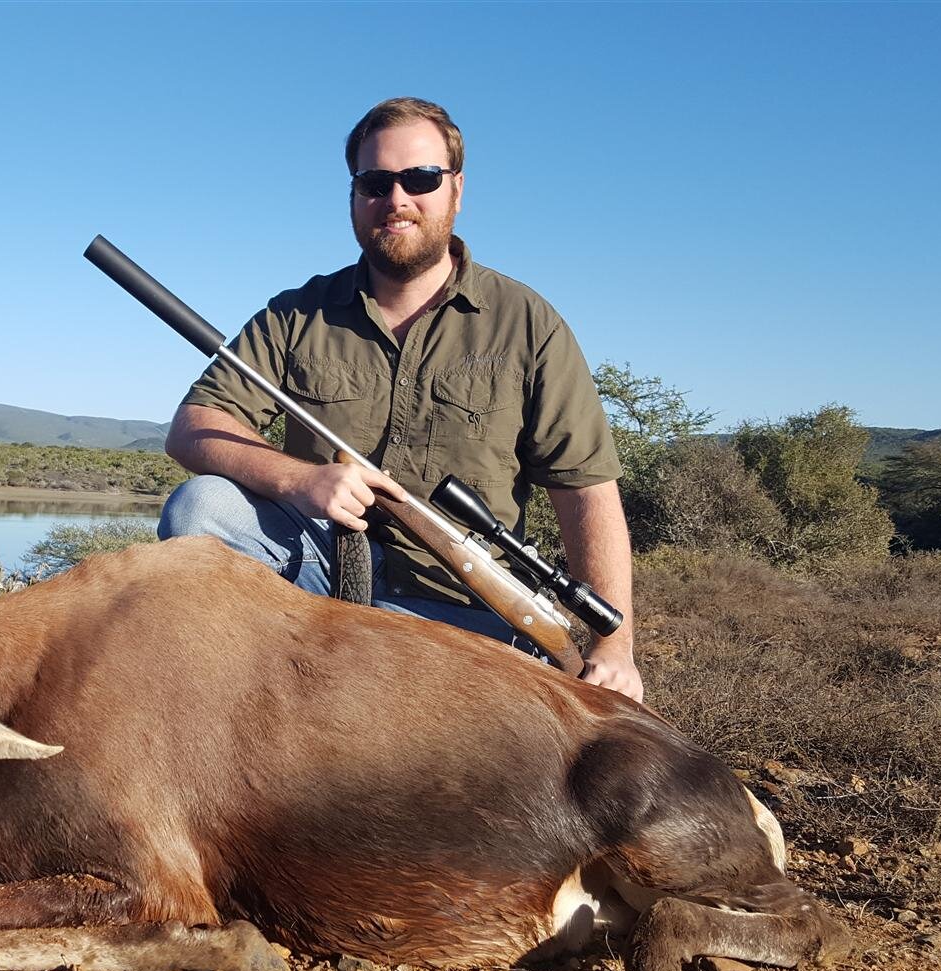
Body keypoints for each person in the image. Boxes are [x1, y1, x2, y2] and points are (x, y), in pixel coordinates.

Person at [158, 97, 643, 703]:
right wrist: (297, 481)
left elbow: (587, 490)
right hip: (313, 579)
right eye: (375, 182)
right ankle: (246, 702)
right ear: (354, 194)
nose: (397, 200)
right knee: (203, 505)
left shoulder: (528, 323)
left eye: (420, 179)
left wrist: (612, 647)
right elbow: (194, 424)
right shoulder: (295, 312)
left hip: (460, 607)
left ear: (456, 190)